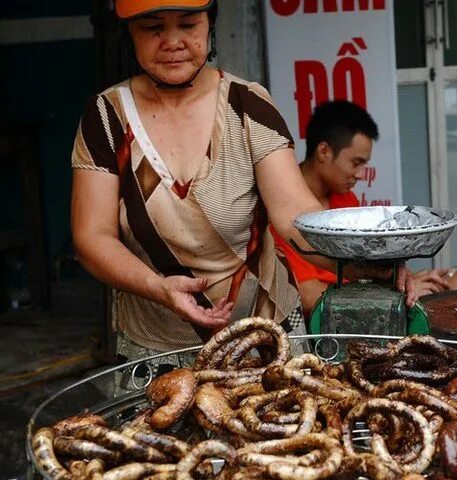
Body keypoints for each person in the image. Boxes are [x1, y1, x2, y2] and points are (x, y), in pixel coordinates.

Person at [70, 0, 413, 368]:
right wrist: (159, 288)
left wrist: (371, 261)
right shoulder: (106, 117)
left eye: (188, 24)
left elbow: (296, 216)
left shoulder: (248, 105)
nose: (172, 41)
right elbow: (92, 237)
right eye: (153, 28)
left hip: (265, 336)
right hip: (158, 347)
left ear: (210, 25)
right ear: (130, 34)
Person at [271, 100, 457, 318]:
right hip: (339, 313)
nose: (362, 174)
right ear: (324, 151)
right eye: (356, 163)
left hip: (371, 290)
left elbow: (366, 265)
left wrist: (407, 280)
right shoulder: (283, 212)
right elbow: (306, 295)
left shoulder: (346, 199)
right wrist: (392, 292)